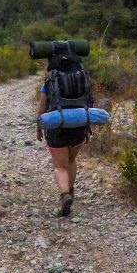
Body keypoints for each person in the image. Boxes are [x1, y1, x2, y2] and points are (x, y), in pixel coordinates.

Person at [36, 76, 88, 217]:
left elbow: (42, 107)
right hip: (79, 127)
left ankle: (65, 195)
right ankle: (70, 189)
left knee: (60, 166)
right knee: (71, 160)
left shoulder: (49, 82)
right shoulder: (82, 78)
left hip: (56, 128)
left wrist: (39, 126)